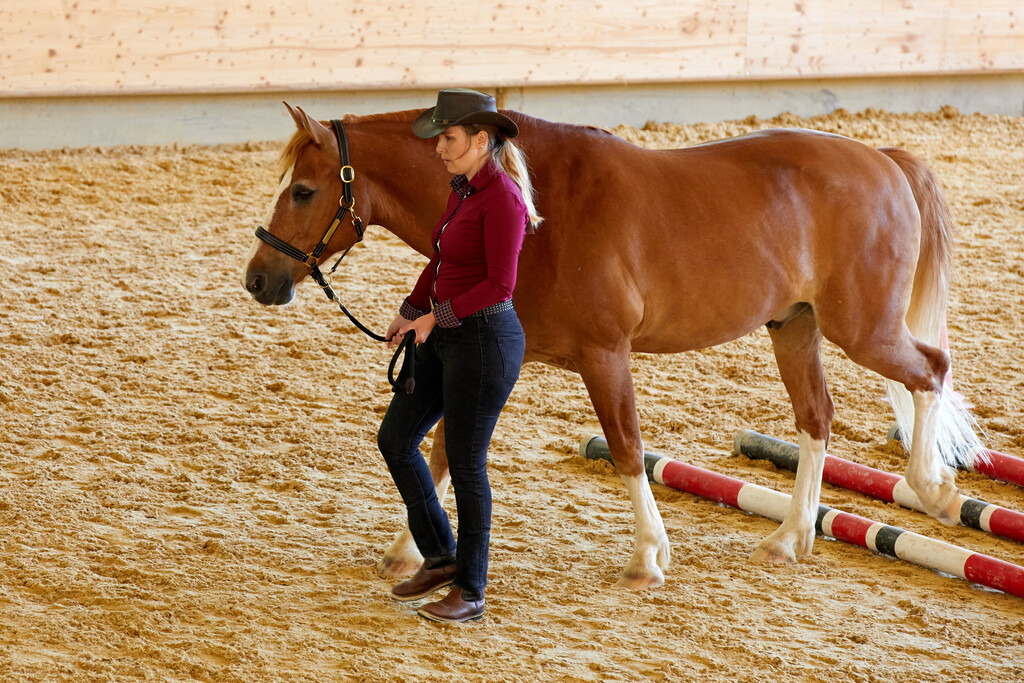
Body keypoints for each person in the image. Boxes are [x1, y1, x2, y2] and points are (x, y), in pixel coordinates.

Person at [377, 88, 543, 623]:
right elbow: (440, 256)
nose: (439, 148)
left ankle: (471, 591)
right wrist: (410, 308)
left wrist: (434, 318)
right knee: (396, 439)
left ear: (479, 139)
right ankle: (442, 556)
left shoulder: (505, 200)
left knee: (468, 466)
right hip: (446, 334)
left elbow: (500, 285)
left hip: (484, 342)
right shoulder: (463, 190)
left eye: (447, 138)